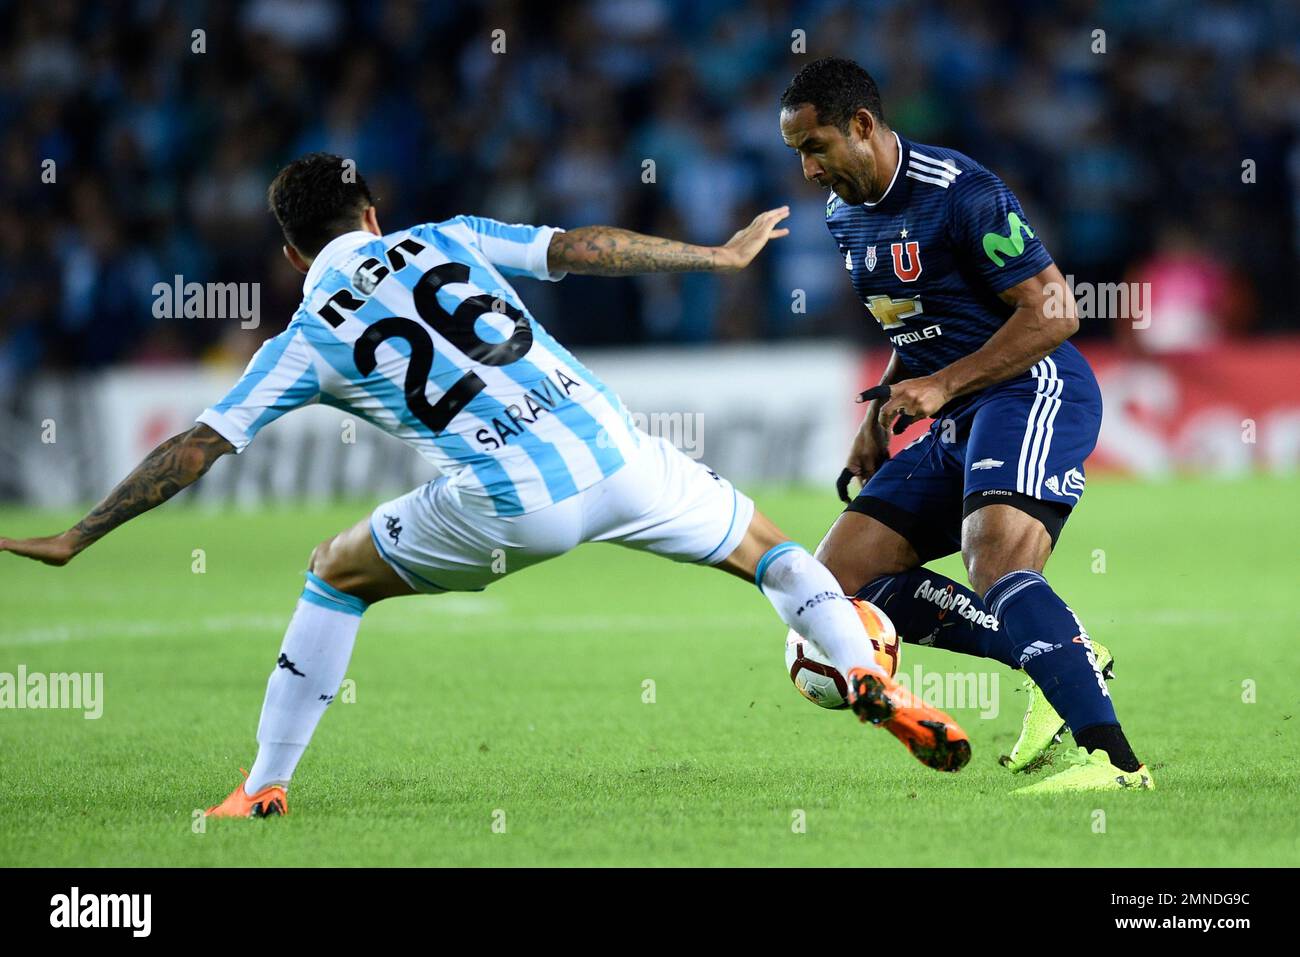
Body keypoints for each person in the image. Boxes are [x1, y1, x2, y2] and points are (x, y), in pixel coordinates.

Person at [1, 152, 970, 818]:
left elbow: (199, 446)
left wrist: (80, 533)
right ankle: (863, 670)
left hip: (514, 501)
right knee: (771, 553)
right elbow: (579, 248)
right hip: (614, 445)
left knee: (334, 572)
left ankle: (262, 783)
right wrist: (713, 258)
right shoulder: (445, 236)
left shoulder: (304, 333)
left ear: (294, 254)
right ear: (372, 215)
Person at [778, 58, 1151, 792]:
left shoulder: (960, 191)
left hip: (1031, 390)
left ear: (861, 126)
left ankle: (1114, 763)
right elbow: (914, 322)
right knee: (837, 583)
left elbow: (1056, 310)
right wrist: (882, 411)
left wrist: (943, 384)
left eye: (814, 146)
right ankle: (1061, 654)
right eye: (797, 152)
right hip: (955, 414)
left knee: (996, 561)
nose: (808, 170)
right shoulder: (843, 214)